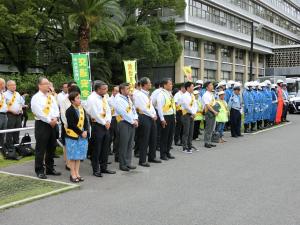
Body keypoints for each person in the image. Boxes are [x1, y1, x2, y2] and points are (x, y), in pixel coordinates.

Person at [31, 77, 61, 179]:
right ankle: (39, 170)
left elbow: (56, 108)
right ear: (39, 85)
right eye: (45, 84)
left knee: (52, 147)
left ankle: (50, 168)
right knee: (41, 148)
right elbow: (38, 112)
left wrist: (56, 118)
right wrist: (49, 120)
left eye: (48, 83)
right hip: (42, 124)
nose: (48, 85)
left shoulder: (51, 97)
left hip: (53, 123)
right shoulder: (36, 97)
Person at [87, 80, 116, 177]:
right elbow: (94, 113)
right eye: (104, 89)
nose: (106, 91)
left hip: (106, 125)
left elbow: (108, 110)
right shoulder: (92, 98)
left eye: (106, 88)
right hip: (97, 125)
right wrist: (104, 122)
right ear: (98, 89)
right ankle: (96, 169)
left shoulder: (103, 97)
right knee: (97, 148)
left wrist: (108, 121)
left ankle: (104, 167)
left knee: (105, 147)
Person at [134, 77, 161, 166]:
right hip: (144, 117)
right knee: (144, 139)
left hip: (151, 117)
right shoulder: (139, 94)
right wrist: (152, 115)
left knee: (153, 137)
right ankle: (142, 160)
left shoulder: (147, 94)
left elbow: (150, 106)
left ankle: (152, 157)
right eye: (149, 83)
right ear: (144, 85)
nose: (150, 84)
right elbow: (143, 108)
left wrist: (154, 113)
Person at [65, 91, 89, 183]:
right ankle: (72, 174)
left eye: (80, 98)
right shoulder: (69, 111)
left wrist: (86, 130)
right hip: (73, 136)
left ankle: (77, 173)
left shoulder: (82, 109)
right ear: (72, 101)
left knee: (78, 156)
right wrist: (81, 132)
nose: (80, 100)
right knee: (72, 156)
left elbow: (86, 121)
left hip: (82, 135)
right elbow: (71, 125)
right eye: (78, 98)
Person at [115, 83, 139, 171]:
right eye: (127, 89)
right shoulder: (118, 99)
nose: (129, 90)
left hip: (132, 122)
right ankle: (123, 164)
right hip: (124, 122)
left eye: (129, 88)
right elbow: (123, 113)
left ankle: (128, 162)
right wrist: (133, 121)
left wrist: (136, 118)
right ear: (122, 90)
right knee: (124, 144)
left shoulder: (128, 98)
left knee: (130, 143)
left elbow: (133, 109)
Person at [60, 82, 80, 171]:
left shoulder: (78, 99)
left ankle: (75, 161)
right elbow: (63, 114)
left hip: (77, 126)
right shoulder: (64, 100)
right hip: (67, 126)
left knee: (75, 144)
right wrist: (67, 125)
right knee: (67, 144)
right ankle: (68, 163)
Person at [156, 78, 176, 160]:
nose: (172, 85)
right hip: (165, 116)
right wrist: (162, 119)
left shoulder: (170, 94)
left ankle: (167, 152)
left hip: (171, 116)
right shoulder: (161, 94)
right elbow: (159, 108)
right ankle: (163, 154)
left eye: (171, 84)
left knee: (170, 135)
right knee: (164, 136)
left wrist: (174, 116)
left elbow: (173, 106)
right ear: (165, 85)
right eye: (170, 84)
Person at [5, 80, 24, 145]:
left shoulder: (17, 94)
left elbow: (21, 103)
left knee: (17, 131)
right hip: (10, 115)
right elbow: (3, 107)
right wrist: (12, 111)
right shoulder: (4, 95)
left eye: (15, 85)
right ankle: (9, 147)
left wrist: (21, 109)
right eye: (12, 85)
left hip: (18, 115)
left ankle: (16, 145)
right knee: (9, 131)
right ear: (7, 86)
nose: (14, 86)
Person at [180, 82, 197, 153]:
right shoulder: (184, 96)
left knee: (191, 131)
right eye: (192, 87)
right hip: (186, 115)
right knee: (186, 132)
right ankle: (185, 147)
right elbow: (187, 106)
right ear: (188, 88)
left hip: (192, 115)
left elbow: (195, 105)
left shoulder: (192, 95)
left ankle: (190, 145)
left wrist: (194, 112)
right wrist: (193, 112)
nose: (193, 88)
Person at [202, 81, 218, 149]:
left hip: (213, 111)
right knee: (208, 128)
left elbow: (214, 103)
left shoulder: (211, 94)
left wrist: (216, 110)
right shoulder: (206, 95)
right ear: (207, 87)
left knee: (212, 128)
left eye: (212, 85)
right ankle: (206, 142)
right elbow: (207, 105)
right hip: (209, 112)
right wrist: (214, 111)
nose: (212, 86)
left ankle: (210, 141)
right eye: (210, 85)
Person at [108, 86, 120, 162]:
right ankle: (108, 150)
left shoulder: (119, 98)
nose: (117, 93)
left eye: (118, 91)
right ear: (112, 91)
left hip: (118, 118)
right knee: (110, 136)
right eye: (115, 91)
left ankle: (116, 151)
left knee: (117, 136)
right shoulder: (109, 99)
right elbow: (116, 106)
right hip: (111, 118)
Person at [151, 81, 162, 151]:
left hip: (162, 111)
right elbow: (153, 102)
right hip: (157, 111)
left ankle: (159, 144)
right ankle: (156, 145)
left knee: (160, 130)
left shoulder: (158, 91)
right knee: (158, 130)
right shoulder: (157, 91)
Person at [0, 78, 7, 148]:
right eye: (3, 84)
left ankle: (2, 148)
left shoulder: (2, 94)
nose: (4, 85)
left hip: (5, 115)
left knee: (3, 133)